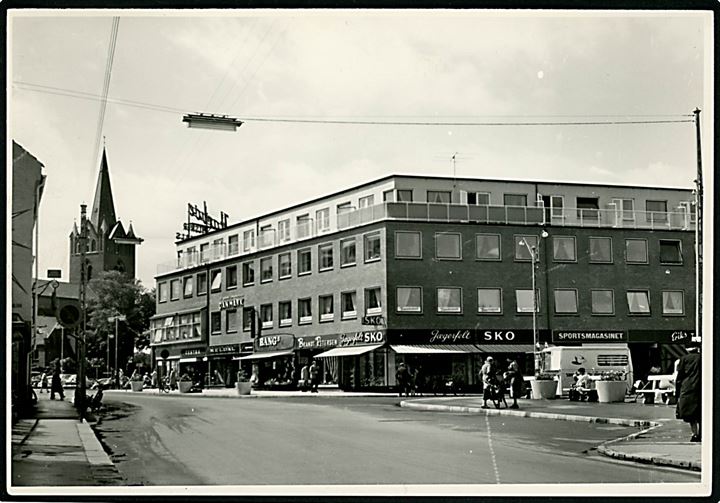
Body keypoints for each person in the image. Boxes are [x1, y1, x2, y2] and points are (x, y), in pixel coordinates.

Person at [675, 344, 701, 442]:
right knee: (700, 412)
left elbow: (679, 376)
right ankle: (702, 433)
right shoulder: (702, 357)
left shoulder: (684, 359)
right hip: (701, 386)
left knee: (690, 414)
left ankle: (695, 434)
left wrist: (677, 392)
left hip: (688, 388)